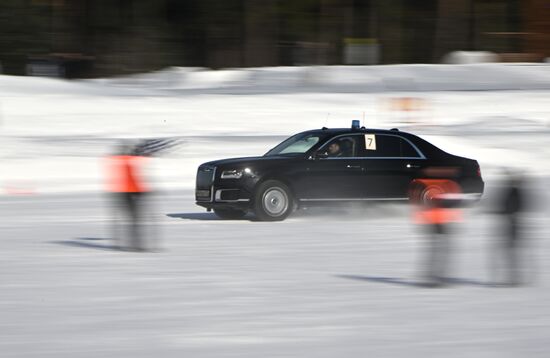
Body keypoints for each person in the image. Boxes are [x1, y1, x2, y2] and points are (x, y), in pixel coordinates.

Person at [105, 141, 150, 251]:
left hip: (122, 192)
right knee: (134, 219)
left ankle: (127, 243)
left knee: (128, 219)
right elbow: (133, 177)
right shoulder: (128, 160)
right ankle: (135, 244)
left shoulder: (118, 160)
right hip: (129, 192)